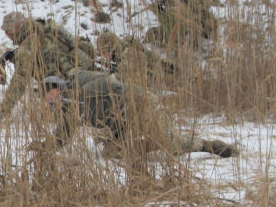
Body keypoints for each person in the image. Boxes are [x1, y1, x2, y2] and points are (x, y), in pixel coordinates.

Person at [37, 71, 236, 172]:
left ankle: (206, 145)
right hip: (122, 124)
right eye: (48, 100)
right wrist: (44, 148)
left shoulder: (78, 78)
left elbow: (111, 81)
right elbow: (64, 135)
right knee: (112, 153)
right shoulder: (69, 109)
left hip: (142, 105)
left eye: (51, 94)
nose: (51, 100)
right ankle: (148, 144)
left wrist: (80, 94)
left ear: (58, 86)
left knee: (169, 143)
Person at [0, 11, 95, 118]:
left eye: (7, 31)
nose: (7, 34)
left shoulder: (29, 43)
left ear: (15, 29)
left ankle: (72, 111)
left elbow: (20, 81)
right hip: (80, 67)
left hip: (69, 79)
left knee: (53, 115)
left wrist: (4, 111)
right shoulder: (42, 27)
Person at [145, 0, 217, 52]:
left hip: (196, 27)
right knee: (152, 33)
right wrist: (159, 7)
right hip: (179, 27)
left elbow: (200, 6)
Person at [95, 30, 173, 86]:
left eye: (104, 52)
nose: (104, 56)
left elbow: (126, 81)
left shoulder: (129, 54)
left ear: (110, 49)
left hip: (164, 83)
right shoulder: (125, 49)